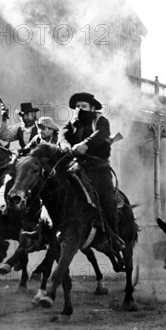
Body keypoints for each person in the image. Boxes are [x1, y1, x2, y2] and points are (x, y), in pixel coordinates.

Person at [58, 92, 125, 251]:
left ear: (92, 108)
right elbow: (62, 136)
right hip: (76, 168)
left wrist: (85, 145)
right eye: (78, 107)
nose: (80, 109)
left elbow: (101, 135)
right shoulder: (71, 123)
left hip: (98, 168)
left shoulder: (101, 121)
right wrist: (66, 146)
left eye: (84, 106)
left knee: (108, 200)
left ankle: (114, 238)